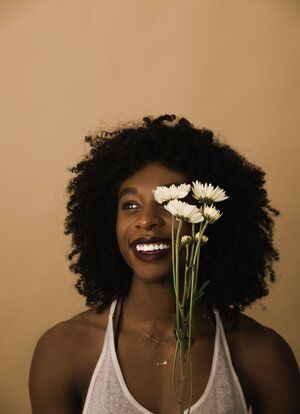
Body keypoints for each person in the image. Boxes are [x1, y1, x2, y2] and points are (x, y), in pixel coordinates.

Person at [29, 114, 300, 413]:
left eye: (171, 204)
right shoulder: (63, 350)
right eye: (130, 205)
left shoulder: (261, 353)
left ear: (207, 220)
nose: (146, 220)